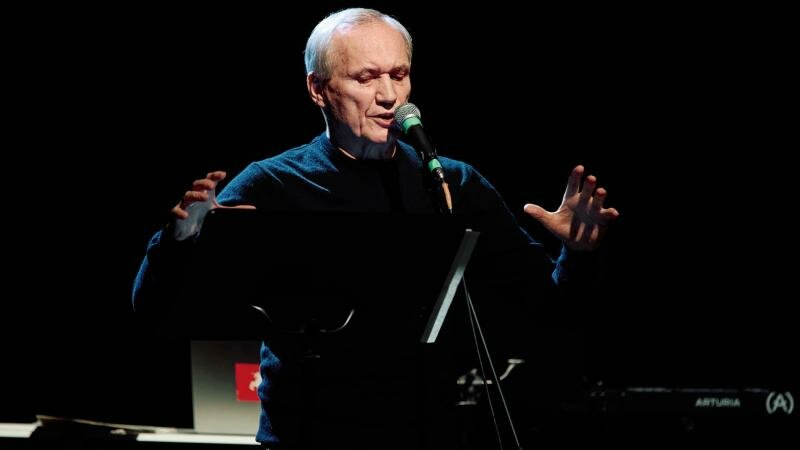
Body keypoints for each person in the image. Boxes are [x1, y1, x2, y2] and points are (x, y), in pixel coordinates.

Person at [132, 7, 618, 449]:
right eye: (366, 78)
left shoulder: (451, 184)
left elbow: (550, 313)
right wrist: (178, 243)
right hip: (306, 435)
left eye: (399, 75)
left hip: (428, 433)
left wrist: (578, 254)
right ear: (317, 88)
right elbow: (154, 311)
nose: (389, 96)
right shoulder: (273, 182)